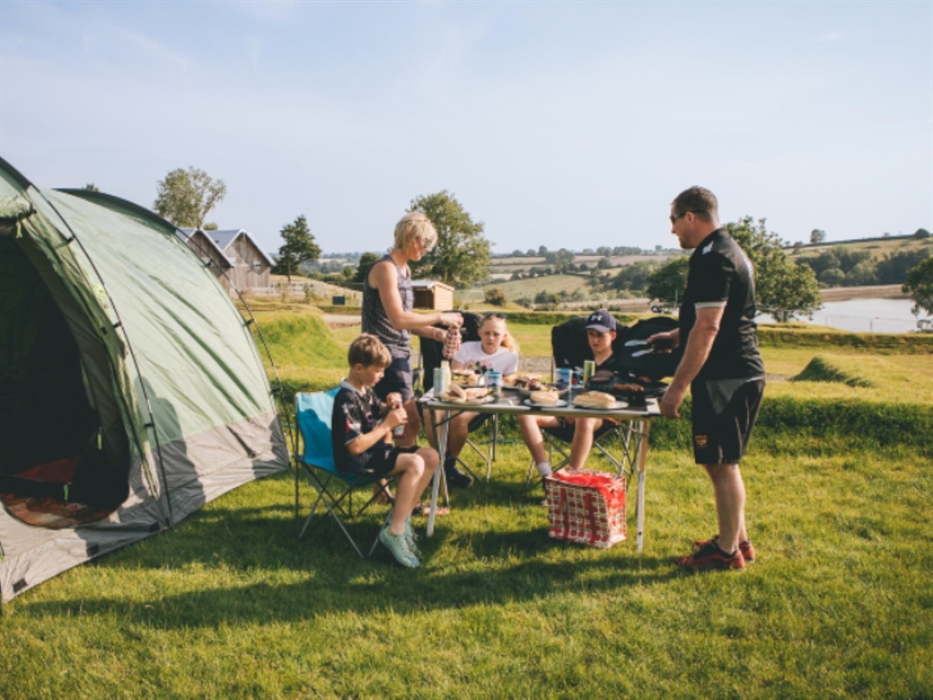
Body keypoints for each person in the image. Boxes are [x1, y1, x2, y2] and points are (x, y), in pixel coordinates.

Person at [649, 186, 766, 572]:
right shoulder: (729, 250)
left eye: (674, 221)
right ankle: (738, 540)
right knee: (721, 461)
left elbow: (711, 326)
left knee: (723, 464)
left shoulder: (712, 259)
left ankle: (726, 552)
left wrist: (677, 388)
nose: (672, 231)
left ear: (691, 217)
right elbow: (713, 317)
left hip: (726, 376)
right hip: (736, 371)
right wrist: (675, 334)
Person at [362, 211, 462, 492]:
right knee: (409, 422)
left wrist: (434, 333)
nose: (427, 250)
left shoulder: (405, 271)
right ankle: (409, 494)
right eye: (425, 243)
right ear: (410, 238)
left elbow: (407, 319)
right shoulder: (385, 269)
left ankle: (383, 490)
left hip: (399, 354)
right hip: (382, 356)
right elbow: (398, 320)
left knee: (387, 420)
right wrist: (440, 316)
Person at [332, 334, 439, 568]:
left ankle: (400, 517)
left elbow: (374, 410)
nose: (381, 376)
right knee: (415, 463)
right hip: (359, 461)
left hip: (376, 453)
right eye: (378, 371)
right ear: (359, 368)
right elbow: (355, 447)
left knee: (431, 456)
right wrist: (387, 425)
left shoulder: (364, 389)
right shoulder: (346, 399)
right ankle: (394, 532)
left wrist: (388, 404)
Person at [517, 309, 620, 484]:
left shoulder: (620, 361)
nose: (594, 340)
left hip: (600, 418)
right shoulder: (578, 356)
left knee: (584, 419)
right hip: (565, 412)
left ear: (613, 335)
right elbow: (563, 387)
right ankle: (546, 476)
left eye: (600, 336)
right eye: (590, 334)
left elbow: (619, 399)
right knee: (524, 414)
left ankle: (570, 482)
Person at [442, 312, 520, 480]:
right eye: (487, 333)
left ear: (504, 336)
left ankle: (449, 463)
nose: (490, 338)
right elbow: (455, 375)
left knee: (458, 419)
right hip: (461, 395)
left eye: (496, 334)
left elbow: (510, 381)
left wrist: (481, 380)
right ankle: (440, 461)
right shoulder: (466, 348)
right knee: (435, 415)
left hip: (486, 400)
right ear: (479, 333)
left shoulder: (509, 355)